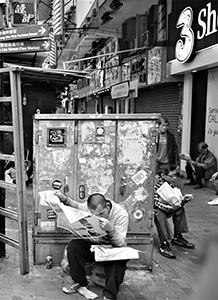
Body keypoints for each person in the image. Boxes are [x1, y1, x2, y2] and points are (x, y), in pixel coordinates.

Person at [54, 191, 129, 300]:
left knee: (118, 262)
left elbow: (121, 243)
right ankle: (80, 283)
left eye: (102, 214)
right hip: (96, 245)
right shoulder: (88, 207)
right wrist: (63, 198)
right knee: (74, 247)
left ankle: (109, 296)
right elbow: (76, 205)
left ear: (107, 206)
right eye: (95, 215)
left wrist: (111, 230)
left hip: (113, 249)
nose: (99, 218)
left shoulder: (121, 214)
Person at [154, 168, 195, 259]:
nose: (174, 178)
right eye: (171, 176)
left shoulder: (169, 184)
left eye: (175, 175)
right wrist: (171, 207)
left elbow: (175, 200)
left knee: (180, 210)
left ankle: (178, 236)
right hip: (157, 209)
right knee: (159, 214)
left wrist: (183, 200)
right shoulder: (155, 184)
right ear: (163, 175)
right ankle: (163, 243)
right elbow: (156, 203)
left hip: (167, 207)